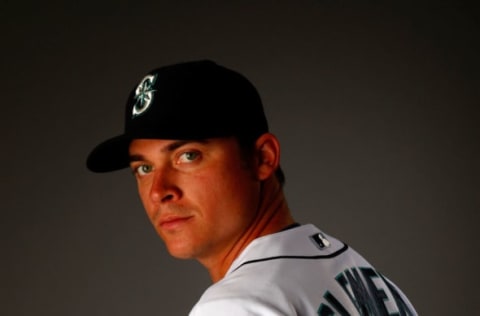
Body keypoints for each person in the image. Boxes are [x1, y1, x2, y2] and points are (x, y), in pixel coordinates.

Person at [86, 60, 417, 315]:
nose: (159, 191)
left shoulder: (237, 306)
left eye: (188, 155)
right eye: (143, 168)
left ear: (263, 157)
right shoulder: (363, 276)